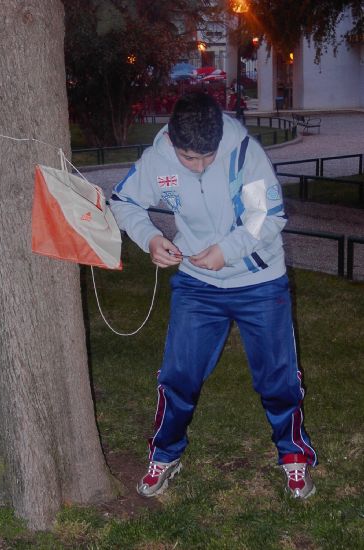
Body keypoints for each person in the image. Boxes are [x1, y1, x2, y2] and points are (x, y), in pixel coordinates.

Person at [110, 91, 317, 500]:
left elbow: (269, 217)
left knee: (277, 376)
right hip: (196, 284)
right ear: (171, 139)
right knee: (179, 376)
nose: (201, 166)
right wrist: (150, 237)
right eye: (190, 158)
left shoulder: (245, 153)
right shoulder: (157, 161)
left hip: (259, 281)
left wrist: (228, 251)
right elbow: (123, 201)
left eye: (208, 156)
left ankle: (294, 458)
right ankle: (165, 455)